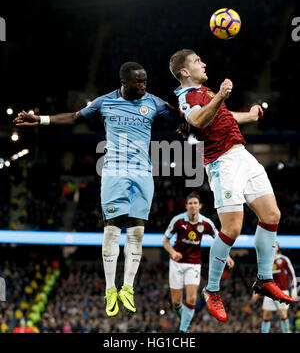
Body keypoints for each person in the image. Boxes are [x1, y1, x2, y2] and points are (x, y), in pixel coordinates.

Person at [13, 61, 180, 318]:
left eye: (146, 80)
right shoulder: (105, 102)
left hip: (143, 173)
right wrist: (41, 119)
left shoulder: (154, 102)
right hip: (113, 172)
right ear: (125, 82)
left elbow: (181, 117)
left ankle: (127, 288)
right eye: (140, 81)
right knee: (112, 231)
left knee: (136, 234)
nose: (144, 85)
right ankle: (110, 290)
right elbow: (74, 117)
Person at [169, 49, 294, 322]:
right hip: (221, 163)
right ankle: (212, 290)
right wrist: (221, 96)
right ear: (184, 72)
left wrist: (248, 117)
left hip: (242, 155)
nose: (204, 63)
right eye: (197, 61)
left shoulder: (205, 92)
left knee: (272, 215)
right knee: (233, 227)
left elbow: (221, 116)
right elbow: (198, 120)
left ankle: (264, 279)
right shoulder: (185, 98)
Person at [163, 192, 234, 332]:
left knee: (191, 300)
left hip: (194, 264)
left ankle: (183, 330)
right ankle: (185, 319)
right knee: (176, 302)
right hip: (176, 263)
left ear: (200, 206)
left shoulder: (206, 222)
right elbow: (165, 241)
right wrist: (173, 252)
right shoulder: (178, 220)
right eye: (190, 203)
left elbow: (219, 240)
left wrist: (228, 256)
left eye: (195, 203)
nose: (193, 206)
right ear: (186, 206)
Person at [252, 242, 298, 333]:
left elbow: (292, 274)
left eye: (275, 245)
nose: (273, 246)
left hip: (282, 291)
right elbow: (260, 277)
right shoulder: (265, 261)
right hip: (269, 292)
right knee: (266, 314)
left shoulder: (284, 259)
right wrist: (255, 292)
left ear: (278, 248)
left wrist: (294, 290)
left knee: (283, 314)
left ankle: (286, 331)